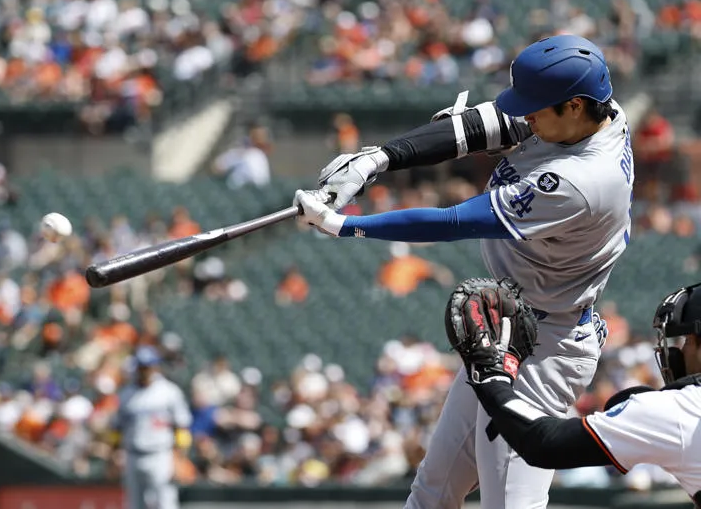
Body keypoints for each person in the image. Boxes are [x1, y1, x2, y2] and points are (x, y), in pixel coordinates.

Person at [293, 34, 634, 509]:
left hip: (546, 348)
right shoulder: (594, 109)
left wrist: (343, 225)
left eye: (536, 110)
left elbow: (454, 221)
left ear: (574, 106)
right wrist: (379, 158)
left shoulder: (584, 180)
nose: (527, 118)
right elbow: (477, 127)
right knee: (431, 494)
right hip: (508, 329)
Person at [456, 280, 701, 507]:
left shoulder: (679, 409)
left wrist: (491, 378)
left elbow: (543, 442)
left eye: (688, 340)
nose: (681, 350)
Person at [110, 346, 192, 509]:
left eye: (148, 366)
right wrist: (114, 454)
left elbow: (182, 427)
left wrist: (179, 458)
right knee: (134, 504)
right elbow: (117, 428)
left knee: (165, 503)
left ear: (156, 367)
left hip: (160, 455)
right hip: (132, 455)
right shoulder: (126, 394)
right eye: (141, 367)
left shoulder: (169, 391)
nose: (144, 371)